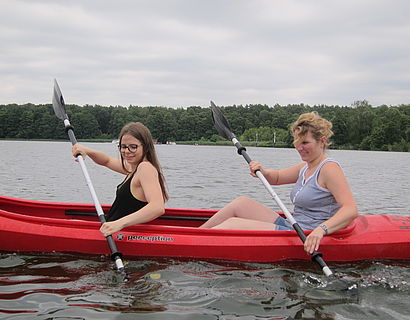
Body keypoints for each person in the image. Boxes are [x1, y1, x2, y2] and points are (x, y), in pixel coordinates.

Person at [199, 111, 358, 255]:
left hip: (307, 235)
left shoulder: (329, 168)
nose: (299, 147)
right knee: (241, 203)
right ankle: (193, 235)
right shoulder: (305, 167)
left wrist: (321, 230)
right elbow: (276, 178)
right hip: (293, 226)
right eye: (297, 142)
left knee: (232, 224)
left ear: (322, 141)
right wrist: (263, 171)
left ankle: (191, 243)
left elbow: (350, 210)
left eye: (305, 142)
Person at [72, 122, 168, 237]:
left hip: (118, 233)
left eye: (133, 147)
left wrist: (119, 224)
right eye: (123, 147)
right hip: (111, 228)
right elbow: (106, 161)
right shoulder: (133, 168)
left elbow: (157, 207)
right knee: (73, 222)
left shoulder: (145, 168)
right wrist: (86, 150)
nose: (126, 151)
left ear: (146, 146)